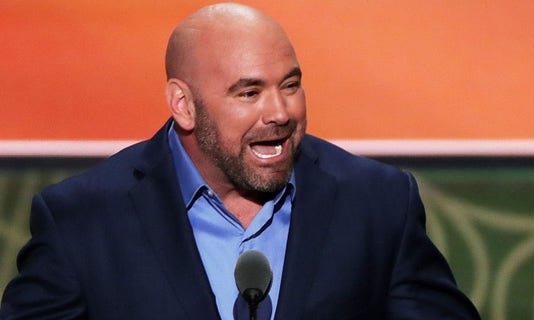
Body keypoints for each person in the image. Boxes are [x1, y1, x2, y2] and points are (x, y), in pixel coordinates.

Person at [0, 3, 480, 319]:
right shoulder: (83, 220)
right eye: (249, 92)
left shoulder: (377, 203)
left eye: (290, 86)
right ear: (183, 105)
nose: (279, 113)